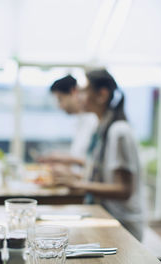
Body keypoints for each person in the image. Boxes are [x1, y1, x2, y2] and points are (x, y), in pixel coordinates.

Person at [52, 69, 145, 241]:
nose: (77, 96)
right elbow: (104, 178)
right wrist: (73, 177)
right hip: (106, 219)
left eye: (82, 91)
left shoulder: (119, 131)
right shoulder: (102, 129)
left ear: (101, 95)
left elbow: (124, 190)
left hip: (123, 226)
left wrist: (79, 184)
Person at [40, 75, 98, 167]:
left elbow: (94, 163)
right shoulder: (80, 121)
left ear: (73, 92)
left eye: (60, 99)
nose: (60, 106)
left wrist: (62, 158)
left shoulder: (93, 121)